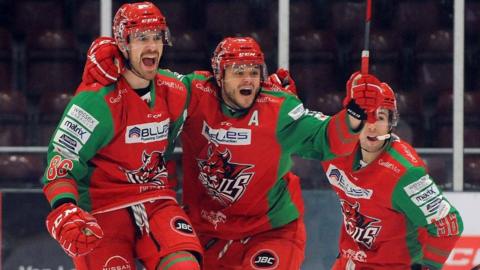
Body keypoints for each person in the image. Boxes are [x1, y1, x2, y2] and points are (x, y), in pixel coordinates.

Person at [81, 33, 390, 268]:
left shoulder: (279, 108)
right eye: (239, 71)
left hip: (269, 231)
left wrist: (356, 114)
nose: (248, 79)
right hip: (205, 231)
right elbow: (147, 83)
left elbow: (327, 140)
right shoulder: (194, 93)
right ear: (219, 75)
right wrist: (116, 60)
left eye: (254, 72)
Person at [42, 2, 202, 270]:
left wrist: (270, 94)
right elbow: (63, 158)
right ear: (122, 43)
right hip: (102, 208)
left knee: (184, 266)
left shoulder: (174, 90)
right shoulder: (96, 100)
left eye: (156, 37)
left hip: (156, 200)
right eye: (141, 38)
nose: (152, 46)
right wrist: (65, 208)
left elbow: (221, 91)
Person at [320, 77, 463, 269]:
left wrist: (427, 267)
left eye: (379, 117)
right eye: (364, 115)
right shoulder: (332, 148)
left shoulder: (404, 173)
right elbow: (286, 135)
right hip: (350, 261)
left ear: (391, 122)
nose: (371, 126)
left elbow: (449, 224)